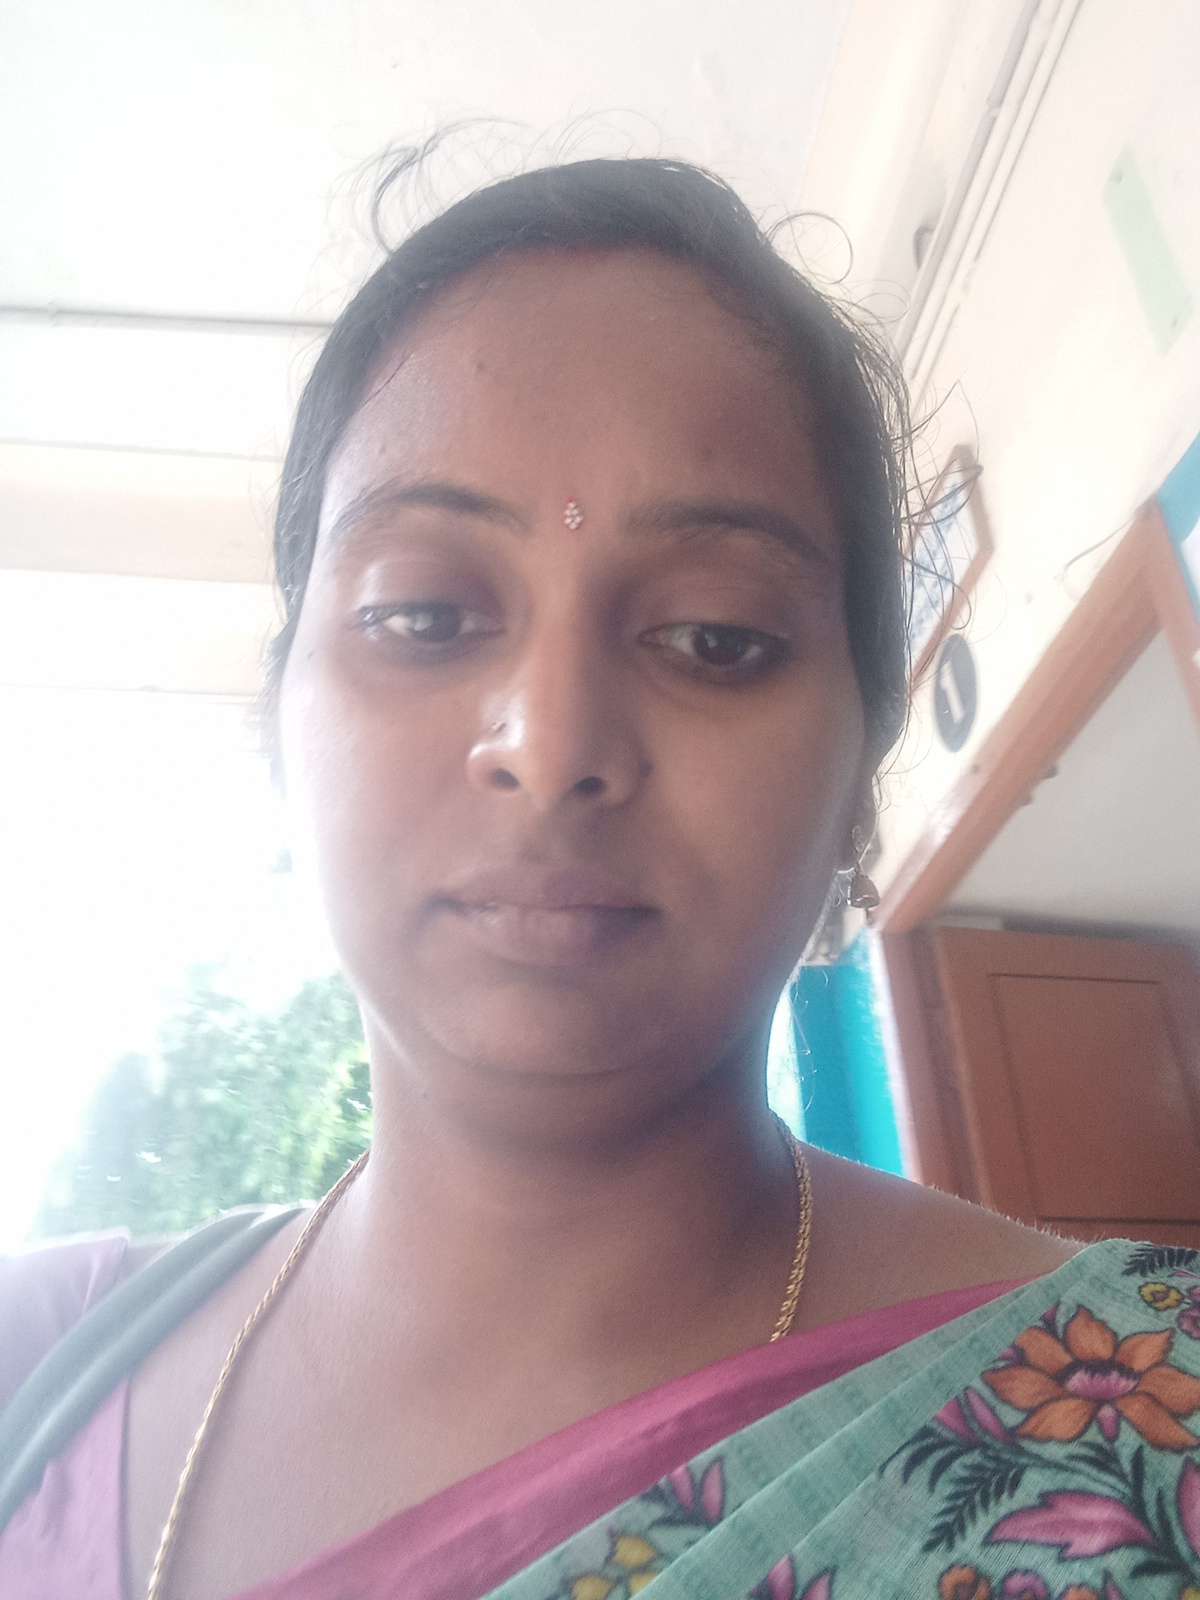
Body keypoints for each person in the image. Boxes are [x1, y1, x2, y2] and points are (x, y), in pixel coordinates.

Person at [3, 154, 1198, 1600]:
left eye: (717, 638)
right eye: (424, 614)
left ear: (856, 776)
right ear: (280, 714)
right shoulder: (39, 1365)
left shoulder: (1150, 1424)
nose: (553, 741)